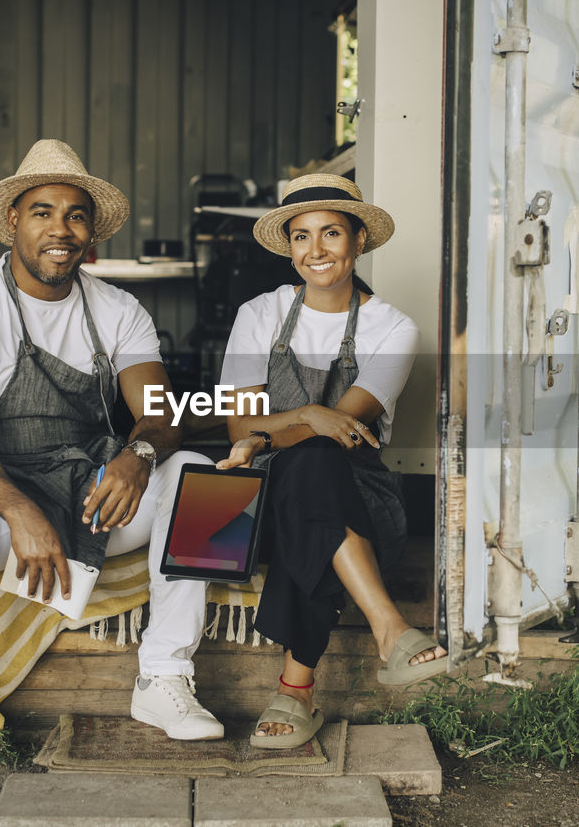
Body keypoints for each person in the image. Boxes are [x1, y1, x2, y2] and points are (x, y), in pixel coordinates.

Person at [0, 140, 223, 785]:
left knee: (204, 482)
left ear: (90, 232)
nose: (60, 229)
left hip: (93, 492)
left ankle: (165, 678)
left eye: (75, 216)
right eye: (42, 212)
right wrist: (19, 509)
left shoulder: (116, 309)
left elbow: (160, 414)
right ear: (14, 221)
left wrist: (137, 455)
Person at [216, 174, 448, 749]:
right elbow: (237, 427)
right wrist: (307, 419)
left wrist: (286, 427)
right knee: (307, 472)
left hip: (364, 502)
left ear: (359, 240)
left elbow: (342, 433)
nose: (314, 250)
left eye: (331, 233)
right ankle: (388, 629)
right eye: (301, 236)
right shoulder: (258, 315)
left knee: (317, 464)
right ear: (288, 247)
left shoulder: (393, 328)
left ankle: (296, 691)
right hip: (264, 506)